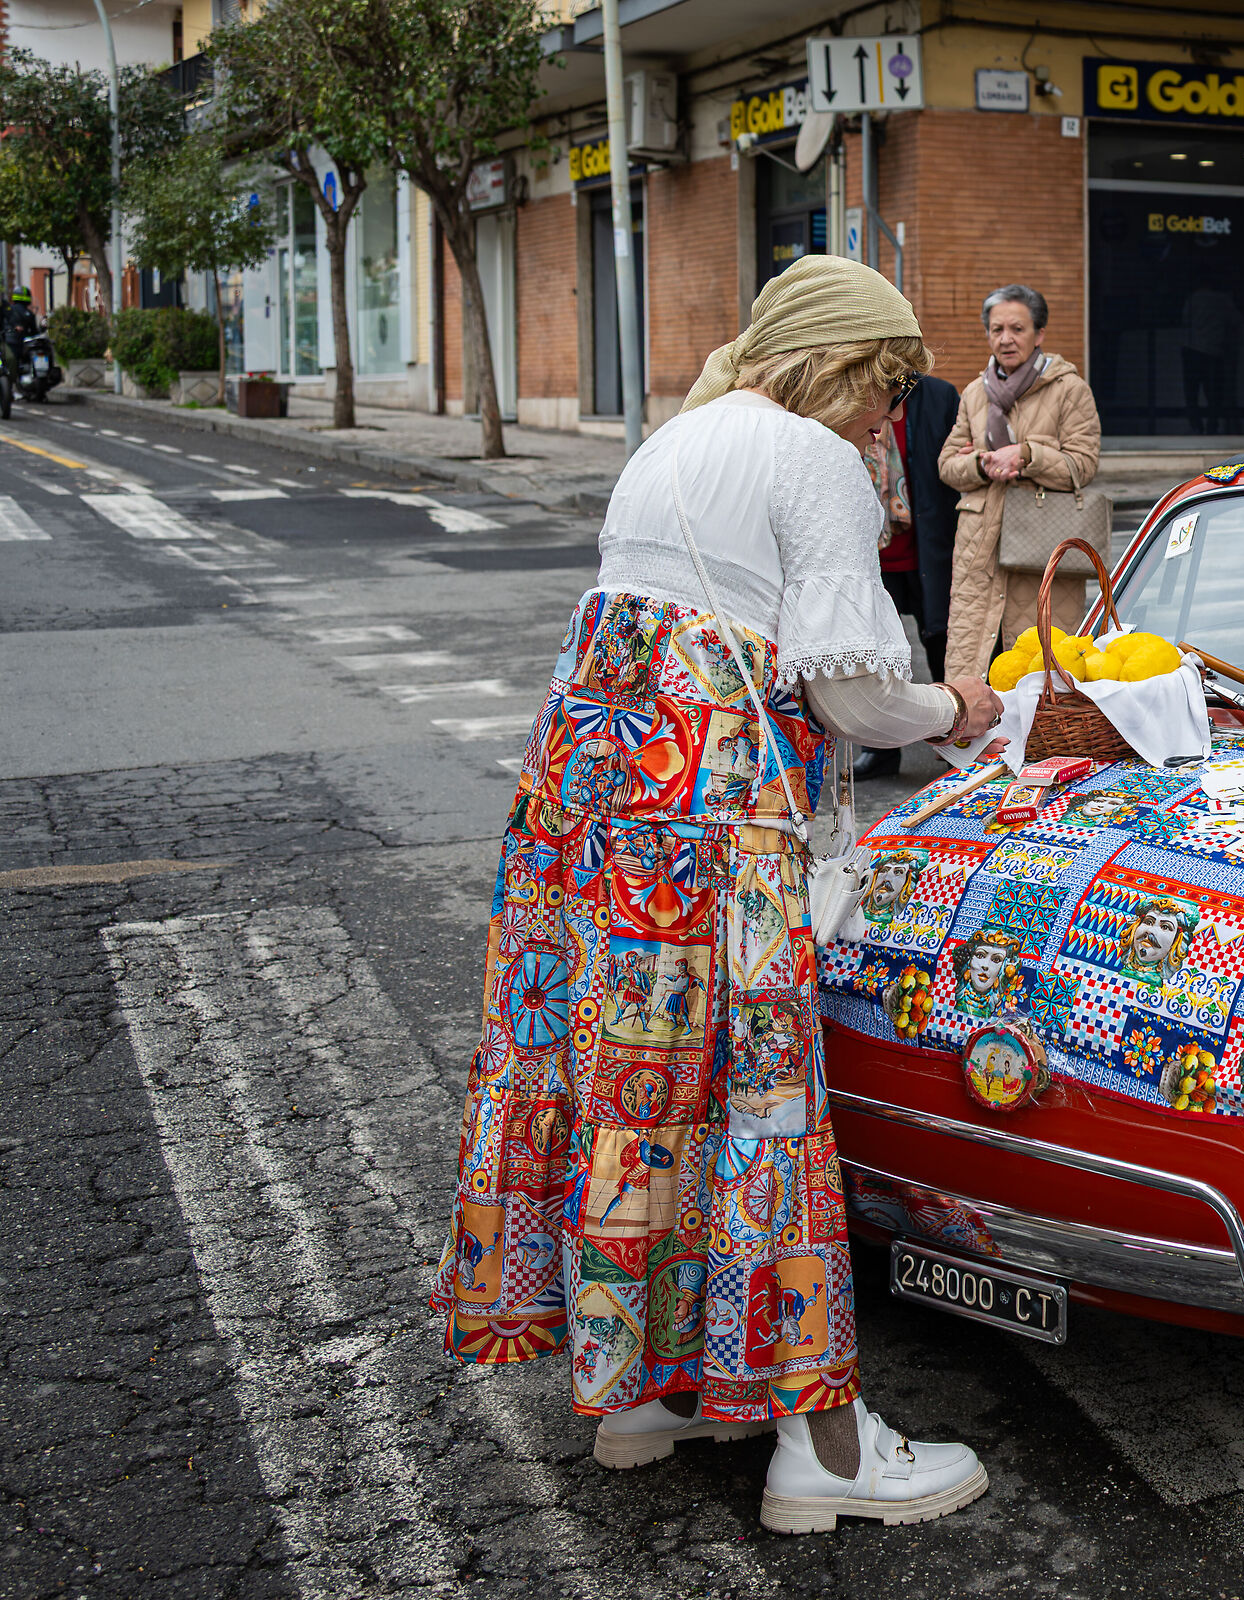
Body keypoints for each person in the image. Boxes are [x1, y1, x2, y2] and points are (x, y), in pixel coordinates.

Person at [429, 255, 1006, 1535]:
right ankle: (827, 1452)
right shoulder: (812, 462)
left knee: (634, 1094)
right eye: (885, 387)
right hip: (709, 830)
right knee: (765, 1101)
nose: (887, 420)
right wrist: (965, 709)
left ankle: (644, 1395)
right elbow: (851, 693)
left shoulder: (674, 443)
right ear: (843, 367)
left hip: (588, 831)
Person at [938, 284, 1103, 681]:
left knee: (1040, 675)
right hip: (979, 551)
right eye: (996, 329)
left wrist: (1027, 455)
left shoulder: (1069, 390)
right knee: (973, 670)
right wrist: (982, 464)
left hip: (1040, 551)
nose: (1005, 339)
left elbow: (1083, 464)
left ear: (1039, 334)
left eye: (1017, 328)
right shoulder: (975, 393)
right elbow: (947, 465)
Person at [854, 368, 962, 780]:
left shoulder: (937, 395)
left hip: (927, 547)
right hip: (872, 551)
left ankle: (958, 732)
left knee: (941, 638)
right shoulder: (852, 393)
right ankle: (880, 748)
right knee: (877, 651)